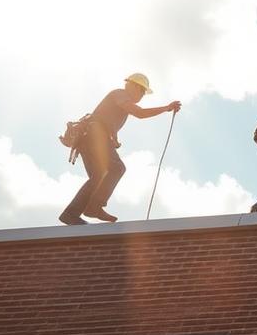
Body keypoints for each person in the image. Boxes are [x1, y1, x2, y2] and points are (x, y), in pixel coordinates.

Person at [59, 73, 181, 225]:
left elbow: (109, 122)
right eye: (142, 91)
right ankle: (94, 207)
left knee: (99, 176)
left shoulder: (120, 103)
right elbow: (140, 113)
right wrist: (166, 108)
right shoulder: (120, 94)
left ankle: (70, 214)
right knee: (116, 168)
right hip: (93, 135)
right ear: (133, 86)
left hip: (89, 138)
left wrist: (112, 139)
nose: (142, 95)